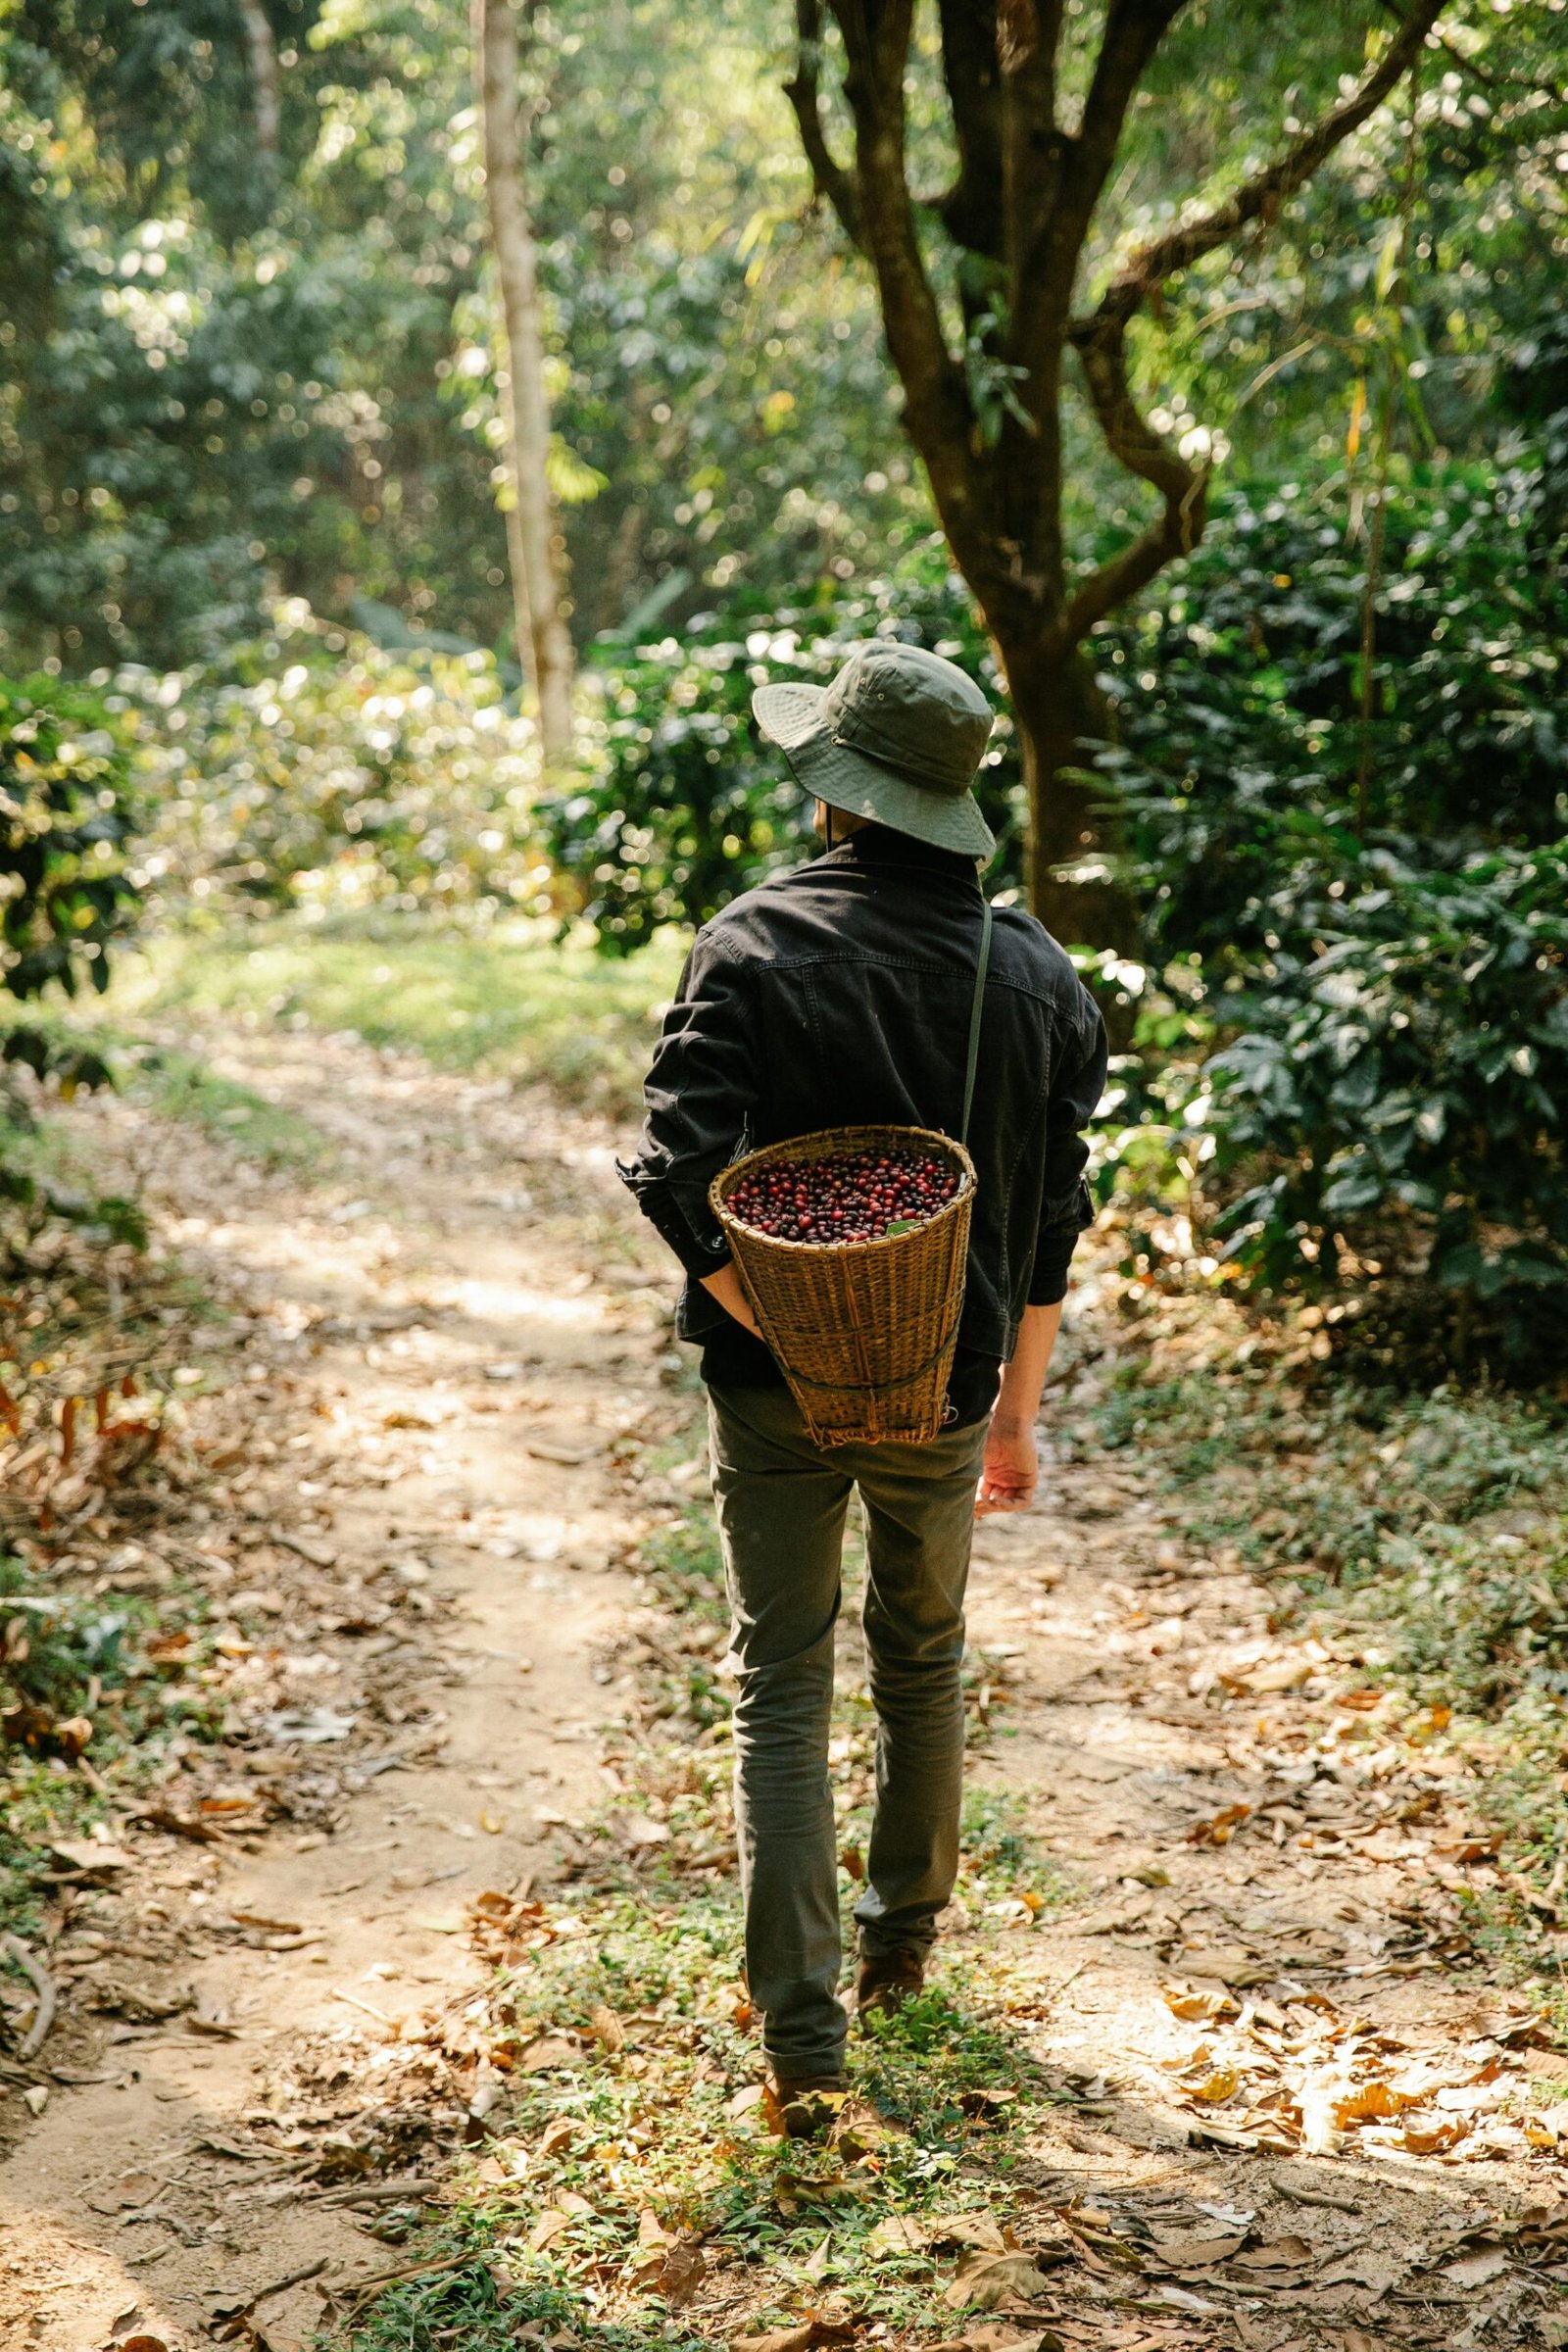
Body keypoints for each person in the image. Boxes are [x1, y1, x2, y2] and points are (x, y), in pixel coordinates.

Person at [618, 638, 1107, 2136]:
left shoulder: (751, 944)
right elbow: (1048, 1224)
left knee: (781, 1680)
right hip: (949, 1380)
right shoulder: (1035, 975)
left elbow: (674, 1170)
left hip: (775, 1382)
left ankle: (804, 2041)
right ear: (951, 803)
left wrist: (785, 1317)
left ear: (835, 795)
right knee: (923, 1653)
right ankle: (902, 1947)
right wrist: (1015, 1415)